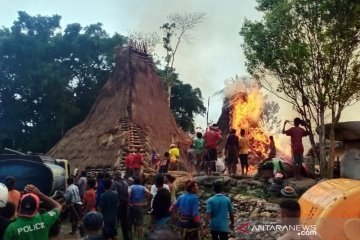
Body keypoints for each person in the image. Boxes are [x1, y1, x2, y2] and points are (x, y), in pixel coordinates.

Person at [111, 171, 130, 240]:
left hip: (118, 205)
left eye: (114, 176)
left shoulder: (114, 184)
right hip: (125, 205)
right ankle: (126, 237)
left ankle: (114, 237)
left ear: (116, 176)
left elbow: (115, 195)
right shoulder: (126, 183)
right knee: (125, 222)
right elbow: (128, 194)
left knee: (115, 222)